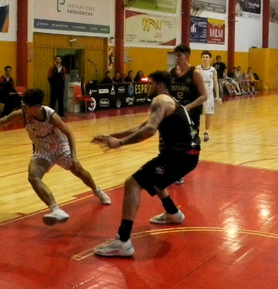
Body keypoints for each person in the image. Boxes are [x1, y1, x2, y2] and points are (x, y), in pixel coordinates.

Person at [0, 88, 110, 225]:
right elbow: (0, 122)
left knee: (79, 172)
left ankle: (97, 190)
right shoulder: (22, 114)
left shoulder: (51, 115)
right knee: (33, 177)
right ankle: (56, 209)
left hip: (60, 147)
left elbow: (69, 133)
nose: (24, 106)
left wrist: (74, 156)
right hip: (42, 150)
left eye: (27, 104)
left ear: (37, 106)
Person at [91, 71, 200, 257]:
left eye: (150, 84)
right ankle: (173, 213)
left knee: (132, 183)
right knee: (153, 177)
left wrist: (121, 143)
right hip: (187, 156)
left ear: (158, 85)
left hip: (179, 156)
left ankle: (123, 241)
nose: (147, 87)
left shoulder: (160, 100)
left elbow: (149, 130)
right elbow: (142, 127)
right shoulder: (170, 101)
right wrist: (114, 136)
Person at [169, 44, 207, 184]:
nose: (177, 58)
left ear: (187, 56)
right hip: (175, 113)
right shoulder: (171, 72)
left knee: (188, 144)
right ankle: (175, 170)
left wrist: (188, 106)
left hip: (191, 113)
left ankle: (182, 169)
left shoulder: (195, 73)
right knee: (172, 141)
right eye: (176, 55)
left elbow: (204, 96)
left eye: (179, 55)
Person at [199, 51, 222, 142]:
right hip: (199, 95)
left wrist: (217, 96)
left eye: (207, 57)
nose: (205, 58)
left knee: (208, 114)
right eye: (203, 57)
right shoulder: (197, 69)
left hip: (209, 95)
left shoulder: (213, 70)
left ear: (210, 59)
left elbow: (216, 83)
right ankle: (194, 132)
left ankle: (206, 132)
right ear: (201, 58)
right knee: (196, 114)